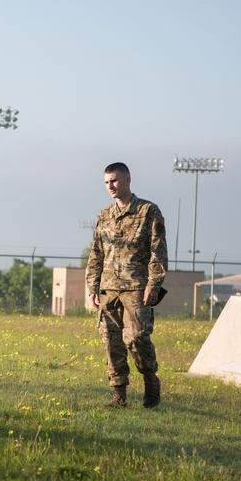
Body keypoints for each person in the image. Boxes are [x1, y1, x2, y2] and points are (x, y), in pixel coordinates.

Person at [85, 162, 168, 408]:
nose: (110, 186)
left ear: (128, 181)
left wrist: (154, 283)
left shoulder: (148, 211)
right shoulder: (104, 215)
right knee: (111, 342)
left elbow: (158, 251)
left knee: (137, 339)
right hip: (108, 289)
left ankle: (151, 379)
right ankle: (119, 394)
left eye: (115, 181)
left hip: (137, 289)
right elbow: (96, 253)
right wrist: (92, 287)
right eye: (107, 182)